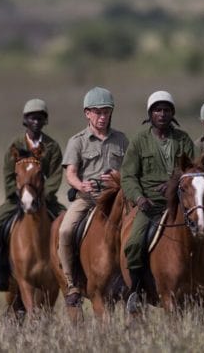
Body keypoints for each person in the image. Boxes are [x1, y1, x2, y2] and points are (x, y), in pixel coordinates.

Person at [120, 91, 204, 311]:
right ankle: (135, 291)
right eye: (157, 110)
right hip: (151, 204)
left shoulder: (183, 139)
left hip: (186, 202)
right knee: (134, 243)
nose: (162, 114)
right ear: (150, 114)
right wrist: (139, 198)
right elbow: (128, 176)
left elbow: (194, 169)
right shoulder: (139, 141)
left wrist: (174, 183)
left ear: (172, 114)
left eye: (166, 110)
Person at [0, 98, 65, 292]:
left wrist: (44, 196)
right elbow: (8, 174)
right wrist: (18, 195)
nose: (36, 121)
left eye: (40, 118)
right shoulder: (15, 146)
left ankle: (69, 274)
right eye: (32, 118)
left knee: (68, 226)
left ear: (45, 121)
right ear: (25, 121)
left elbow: (55, 175)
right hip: (18, 199)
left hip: (45, 199)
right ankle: (1, 274)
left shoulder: (52, 147)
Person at [58, 87, 129, 306]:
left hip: (117, 198)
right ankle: (72, 283)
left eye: (106, 112)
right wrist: (81, 184)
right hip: (88, 199)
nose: (102, 116)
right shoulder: (77, 141)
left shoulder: (121, 140)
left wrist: (118, 177)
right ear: (87, 113)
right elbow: (70, 173)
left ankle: (140, 281)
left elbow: (130, 170)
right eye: (97, 112)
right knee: (65, 230)